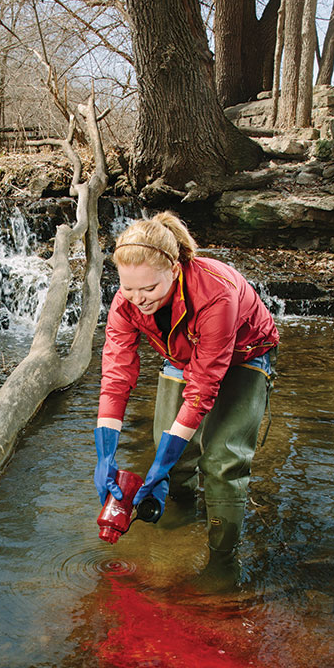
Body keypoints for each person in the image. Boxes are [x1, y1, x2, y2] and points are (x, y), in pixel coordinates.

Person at [94, 212, 279, 566]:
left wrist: (163, 458)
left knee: (223, 462)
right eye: (129, 288)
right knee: (173, 457)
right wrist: (105, 454)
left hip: (245, 353)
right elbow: (116, 376)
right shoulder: (125, 303)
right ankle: (176, 532)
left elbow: (203, 386)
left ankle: (221, 563)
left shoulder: (215, 293)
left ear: (175, 270)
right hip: (182, 353)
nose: (139, 299)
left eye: (149, 289)